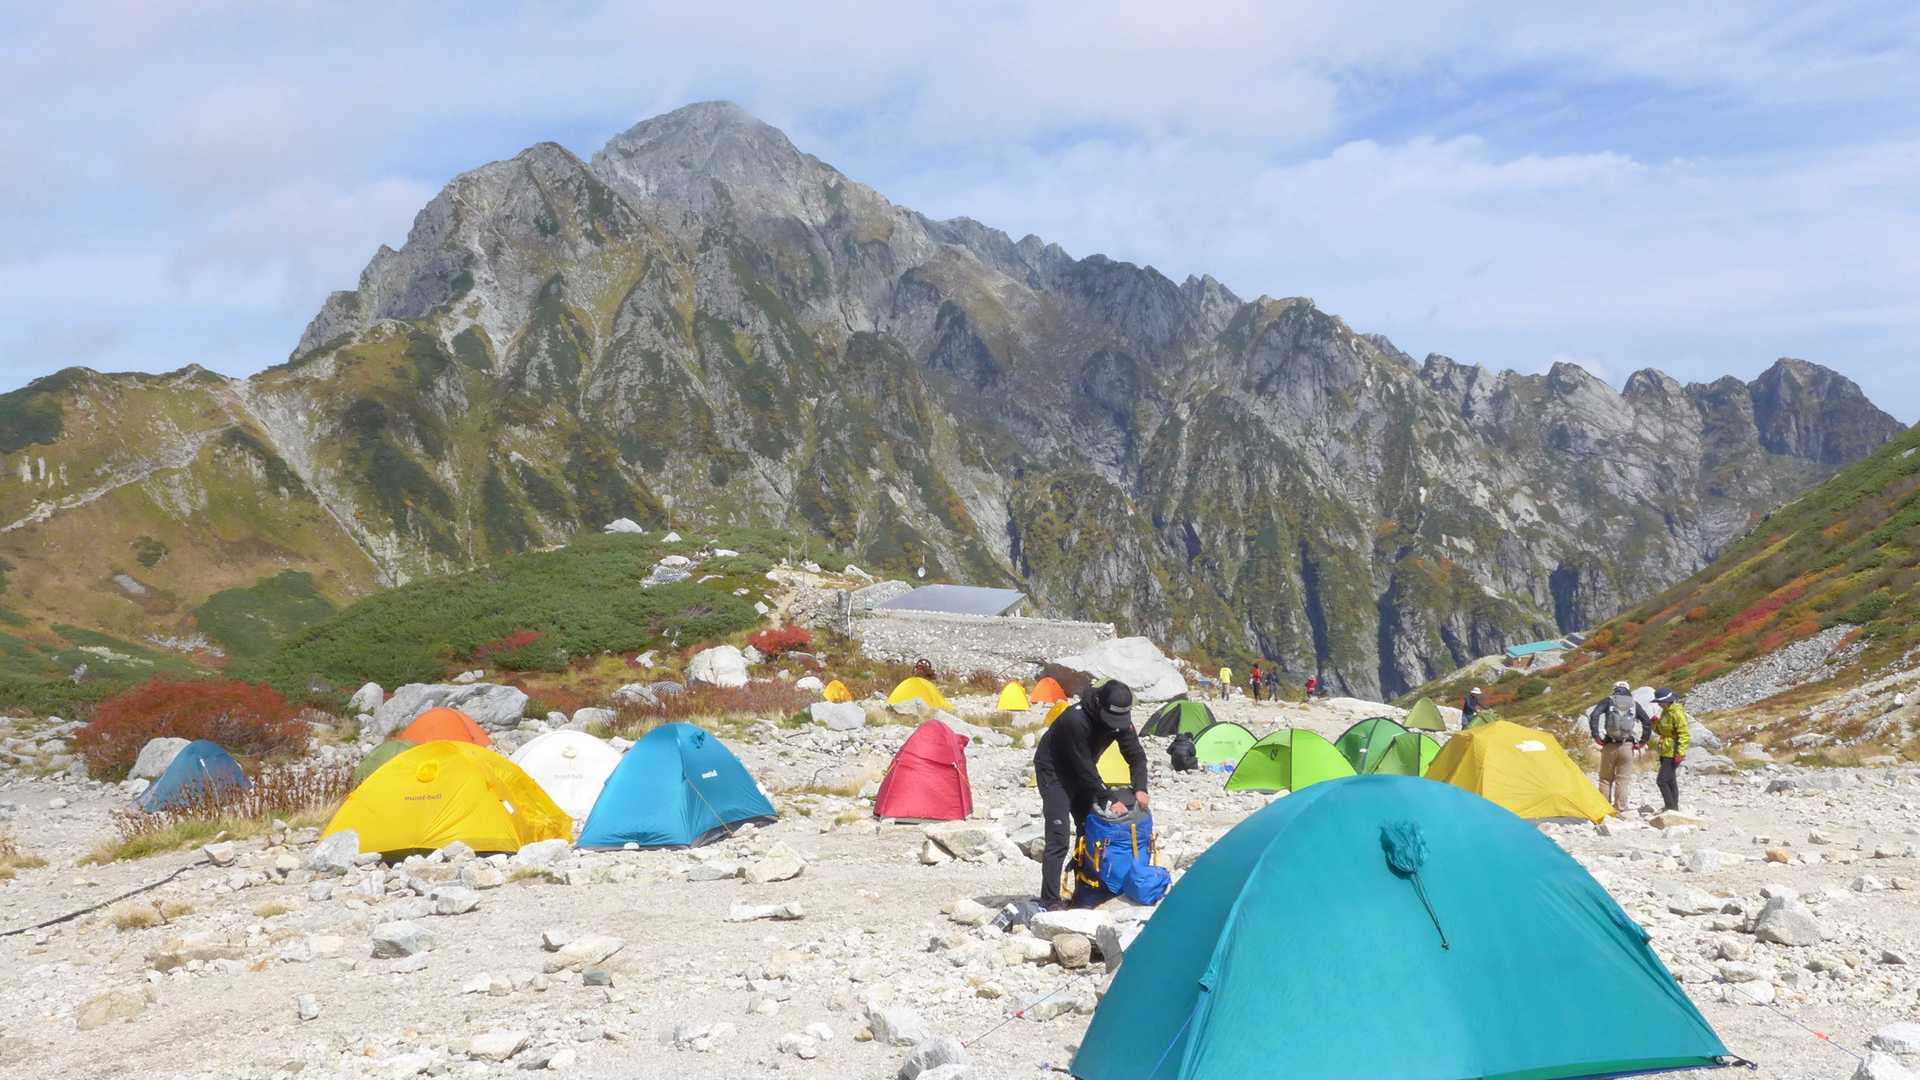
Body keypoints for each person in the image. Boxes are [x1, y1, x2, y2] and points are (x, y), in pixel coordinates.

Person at [1033, 680, 1149, 909]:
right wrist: (1109, 798)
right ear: (1098, 704)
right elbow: (1083, 765)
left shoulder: (1120, 721)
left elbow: (1136, 756)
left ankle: (1084, 893)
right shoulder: (1075, 720)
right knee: (1058, 835)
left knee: (1089, 829)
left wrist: (1140, 787)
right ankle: (1050, 899)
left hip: (1084, 772)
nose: (1114, 725)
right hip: (1054, 772)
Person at [1587, 680, 1651, 813]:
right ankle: (1620, 808)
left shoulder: (1608, 701)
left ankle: (1604, 809)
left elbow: (1594, 715)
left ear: (1614, 689)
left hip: (1609, 745)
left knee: (1605, 779)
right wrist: (1643, 741)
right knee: (1623, 780)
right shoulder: (1634, 704)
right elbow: (1647, 722)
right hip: (1627, 746)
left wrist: (1596, 736)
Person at [1651, 688, 1690, 812]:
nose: (1659, 704)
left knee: (1661, 781)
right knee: (1671, 780)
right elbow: (1661, 732)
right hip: (1665, 749)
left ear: (1668, 701)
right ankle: (1674, 807)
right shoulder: (1665, 711)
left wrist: (1680, 753)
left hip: (1673, 751)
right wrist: (1655, 724)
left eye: (1660, 702)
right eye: (1658, 702)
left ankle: (1670, 807)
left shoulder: (1677, 713)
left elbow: (1684, 734)